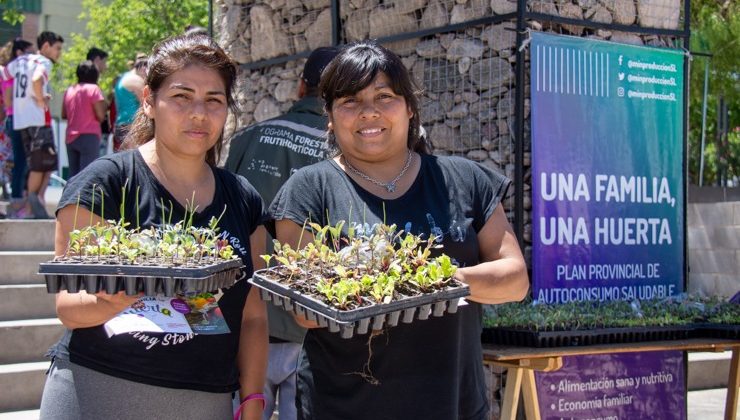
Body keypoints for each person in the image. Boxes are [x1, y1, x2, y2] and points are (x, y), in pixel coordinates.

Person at [269, 41, 530, 420]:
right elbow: (306, 314)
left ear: (409, 106)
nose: (368, 112)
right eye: (350, 101)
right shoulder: (309, 189)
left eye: (384, 96)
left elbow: (515, 280)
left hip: (452, 402)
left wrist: (432, 282)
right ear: (330, 116)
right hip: (345, 406)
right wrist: (389, 285)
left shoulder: (463, 180)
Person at [38, 34, 268, 420]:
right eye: (181, 96)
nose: (198, 112)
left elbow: (253, 315)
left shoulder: (243, 198)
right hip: (98, 390)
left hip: (204, 401)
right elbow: (69, 307)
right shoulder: (104, 183)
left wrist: (253, 398)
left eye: (214, 100)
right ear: (149, 100)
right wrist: (125, 291)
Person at [225, 46, 339, 420]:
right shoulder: (341, 153)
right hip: (309, 327)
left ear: (299, 89)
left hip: (244, 320)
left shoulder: (248, 137)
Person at [3, 31, 63, 219]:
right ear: (45, 46)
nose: (59, 53)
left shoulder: (21, 60)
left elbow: (4, 73)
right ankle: (31, 205)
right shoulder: (42, 63)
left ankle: (36, 202)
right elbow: (37, 80)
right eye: (57, 49)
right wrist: (39, 97)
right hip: (38, 120)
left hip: (21, 121)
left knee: (39, 163)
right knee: (42, 164)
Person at [1, 38, 34, 218]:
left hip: (18, 119)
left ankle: (18, 195)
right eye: (28, 52)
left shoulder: (14, 72)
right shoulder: (12, 74)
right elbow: (7, 101)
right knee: (20, 159)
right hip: (15, 119)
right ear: (20, 53)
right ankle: (16, 197)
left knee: (21, 159)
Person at [62, 60, 107, 177]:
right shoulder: (94, 89)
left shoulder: (70, 90)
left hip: (70, 136)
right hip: (89, 136)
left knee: (73, 175)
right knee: (87, 175)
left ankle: (70, 196)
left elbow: (63, 114)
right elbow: (100, 115)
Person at [112, 53, 147, 151]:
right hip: (131, 126)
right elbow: (146, 104)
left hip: (122, 124)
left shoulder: (124, 78)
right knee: (133, 160)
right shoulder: (136, 81)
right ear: (143, 68)